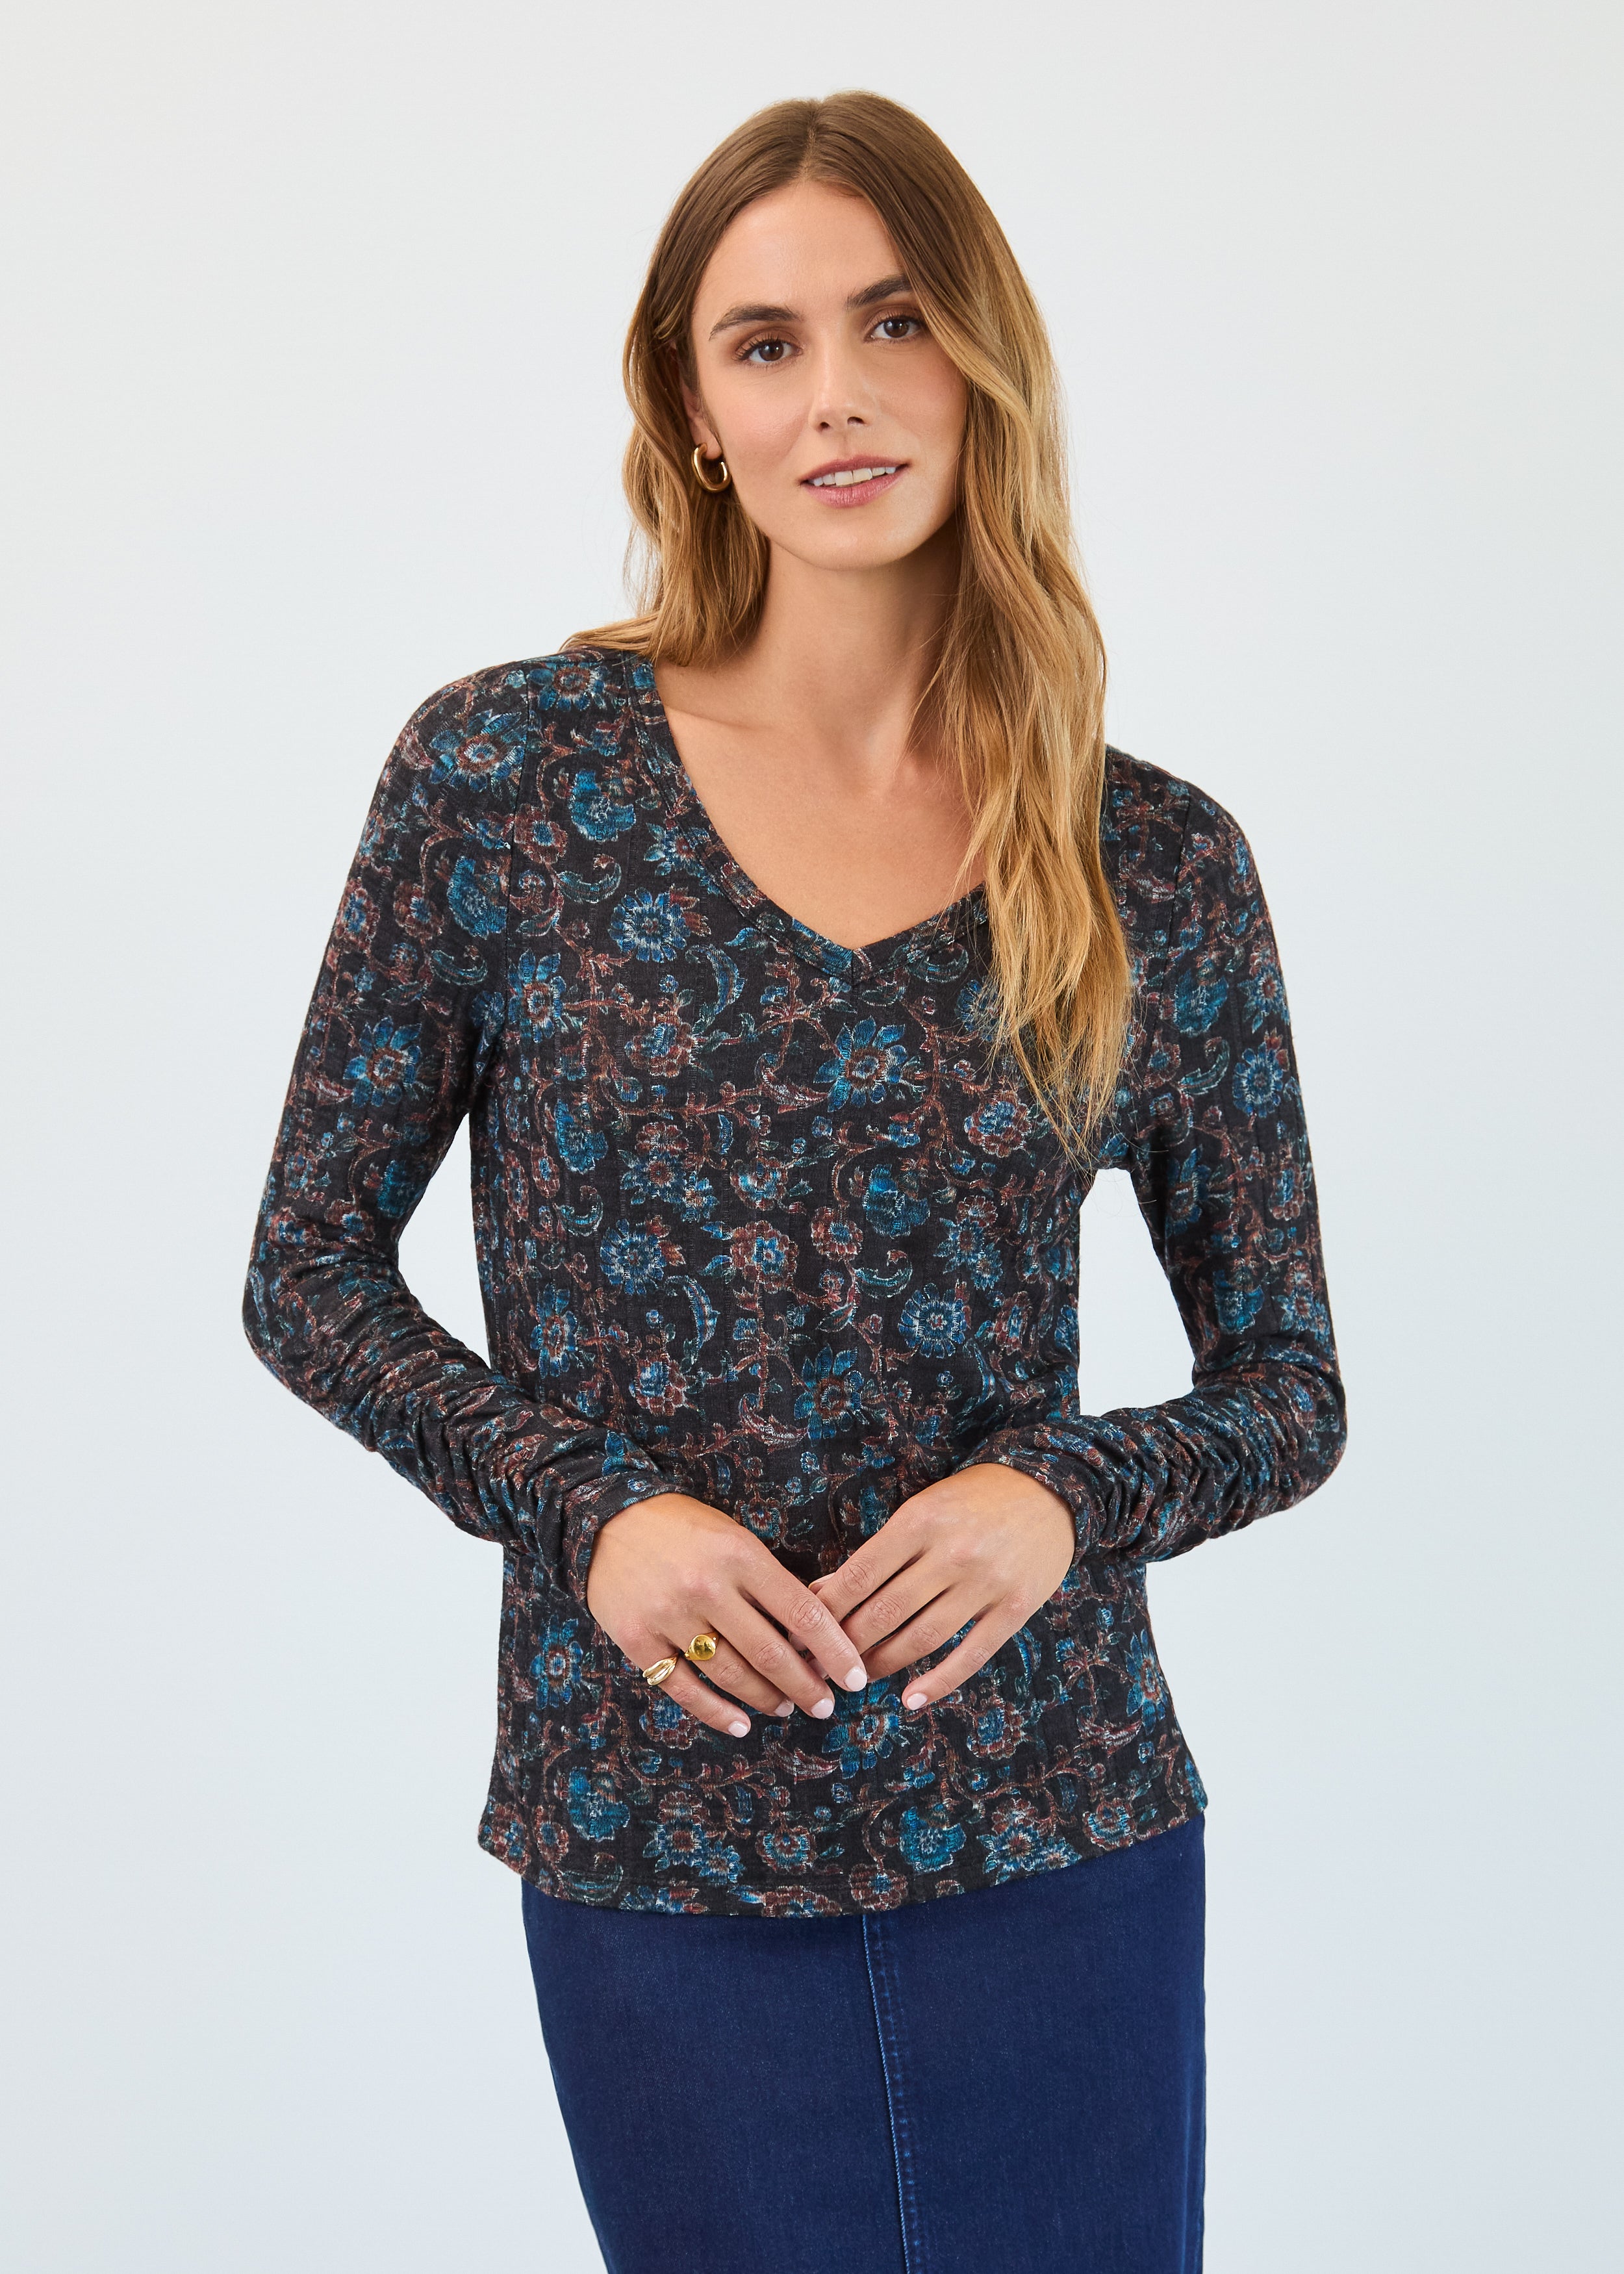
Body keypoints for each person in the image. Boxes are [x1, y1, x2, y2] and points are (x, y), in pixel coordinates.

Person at [244, 88, 1345, 2274]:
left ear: (983, 361)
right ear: (694, 408)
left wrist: (1061, 1493)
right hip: (660, 1829)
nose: (836, 392)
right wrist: (591, 1507)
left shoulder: (1149, 855)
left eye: (894, 320)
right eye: (766, 343)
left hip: (1054, 1827)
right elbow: (308, 1271)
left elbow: (1288, 1385)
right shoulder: (509, 781)